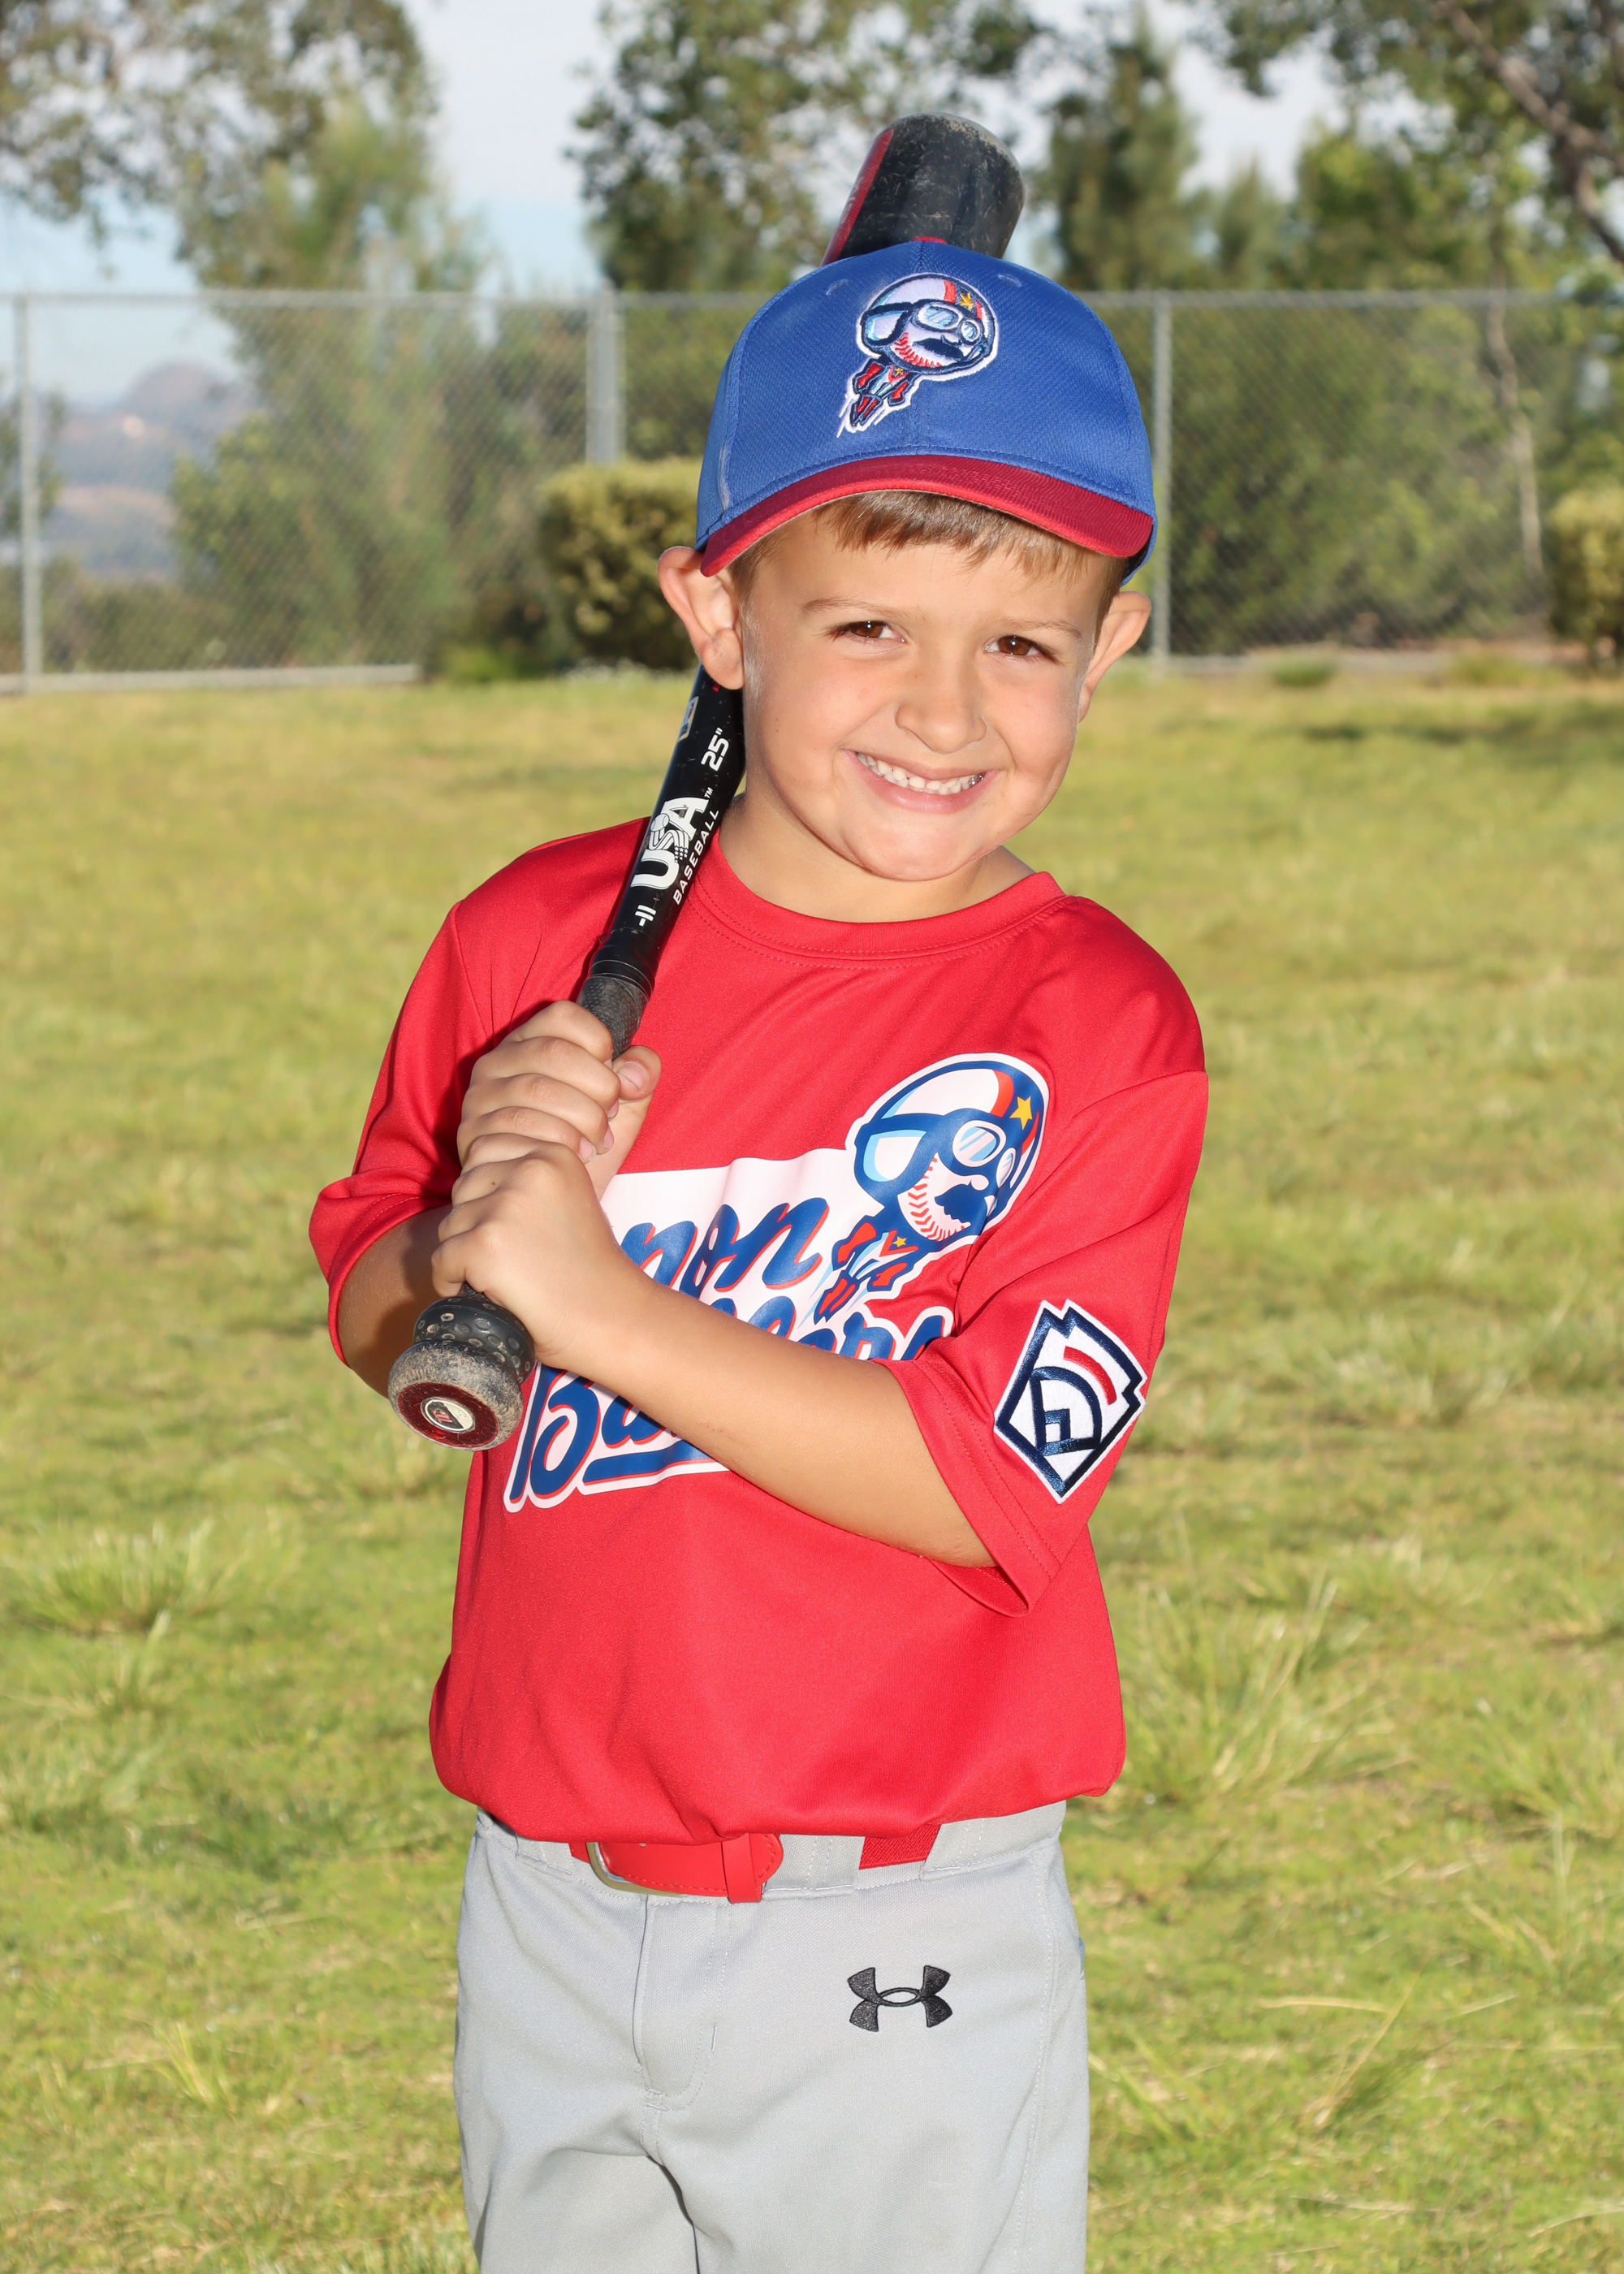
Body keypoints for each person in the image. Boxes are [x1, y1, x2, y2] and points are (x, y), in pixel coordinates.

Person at [310, 242, 1207, 2273]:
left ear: (1112, 644)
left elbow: (989, 1477)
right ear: (720, 614)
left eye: (1022, 642)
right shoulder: (532, 946)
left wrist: (601, 1303)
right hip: (546, 1893)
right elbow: (377, 1294)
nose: (944, 708)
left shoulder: (1098, 1021)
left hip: (894, 1918)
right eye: (867, 621)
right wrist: (468, 1237)